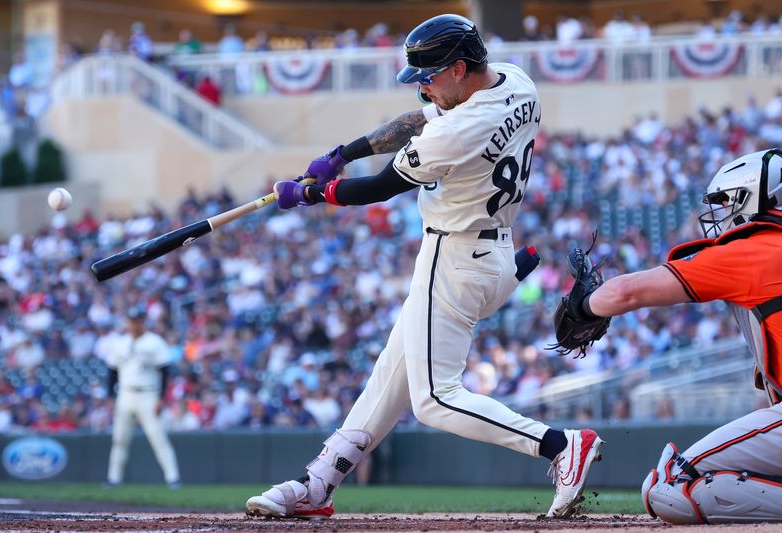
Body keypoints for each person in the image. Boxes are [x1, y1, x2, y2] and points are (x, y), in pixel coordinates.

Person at [245, 14, 603, 520]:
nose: (424, 89)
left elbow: (377, 189)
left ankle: (560, 445)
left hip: (453, 258)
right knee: (389, 378)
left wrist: (310, 192)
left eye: (429, 77)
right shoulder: (515, 82)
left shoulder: (458, 130)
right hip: (492, 254)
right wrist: (345, 153)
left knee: (433, 398)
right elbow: (422, 121)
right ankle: (319, 483)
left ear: (459, 68)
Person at [570, 148, 782, 524]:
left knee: (671, 484)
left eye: (725, 201)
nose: (719, 213)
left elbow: (627, 292)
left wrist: (583, 307)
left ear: (752, 196)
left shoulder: (756, 249)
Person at [104, 306, 181, 488]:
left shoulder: (154, 342)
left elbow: (165, 371)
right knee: (119, 439)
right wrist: (109, 396)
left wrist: (161, 398)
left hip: (148, 394)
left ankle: (173, 478)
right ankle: (113, 479)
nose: (134, 324)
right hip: (125, 394)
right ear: (127, 323)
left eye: (138, 320)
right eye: (131, 321)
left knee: (158, 438)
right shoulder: (120, 343)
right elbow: (111, 372)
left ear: (143, 322)